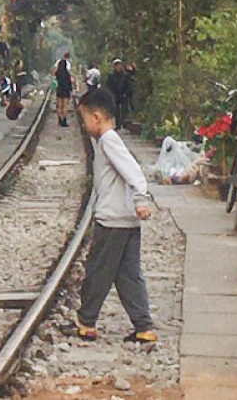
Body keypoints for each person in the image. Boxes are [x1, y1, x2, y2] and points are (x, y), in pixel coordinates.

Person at [74, 88, 156, 345]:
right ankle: (144, 326)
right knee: (128, 274)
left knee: (97, 271)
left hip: (113, 220)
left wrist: (141, 198)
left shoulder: (109, 140)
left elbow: (133, 171)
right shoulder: (109, 140)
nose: (84, 125)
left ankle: (86, 322)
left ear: (96, 117)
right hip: (125, 219)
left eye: (85, 118)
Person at [106, 59, 135, 130]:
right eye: (116, 65)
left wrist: (126, 93)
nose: (118, 67)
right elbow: (108, 85)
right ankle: (118, 125)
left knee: (124, 110)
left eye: (119, 65)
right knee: (116, 110)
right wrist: (111, 94)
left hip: (124, 94)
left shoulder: (125, 75)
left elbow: (129, 84)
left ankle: (124, 123)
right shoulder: (111, 75)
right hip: (115, 95)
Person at [54, 54, 75, 127]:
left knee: (59, 106)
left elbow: (55, 79)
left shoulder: (57, 73)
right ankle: (64, 121)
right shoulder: (67, 74)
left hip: (59, 89)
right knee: (65, 106)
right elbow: (70, 83)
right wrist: (71, 90)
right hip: (66, 90)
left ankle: (59, 119)